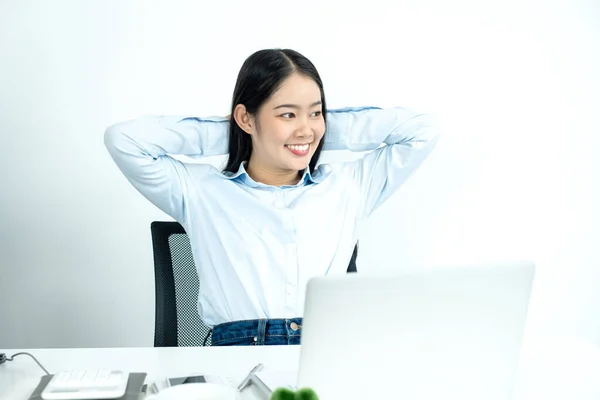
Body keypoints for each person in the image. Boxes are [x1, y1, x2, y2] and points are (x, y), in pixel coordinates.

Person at [104, 48, 439, 346]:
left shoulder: (350, 186)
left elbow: (422, 131)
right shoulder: (200, 191)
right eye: (287, 114)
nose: (306, 128)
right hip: (234, 362)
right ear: (245, 117)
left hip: (322, 351)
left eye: (316, 112)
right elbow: (124, 140)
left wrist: (307, 133)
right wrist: (238, 135)